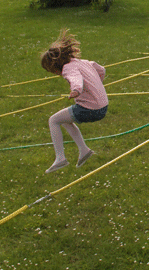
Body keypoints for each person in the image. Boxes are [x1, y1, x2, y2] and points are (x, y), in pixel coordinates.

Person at [40, 29, 109, 173]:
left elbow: (75, 79)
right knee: (64, 120)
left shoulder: (67, 68)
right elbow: (101, 69)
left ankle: (60, 158)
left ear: (55, 66)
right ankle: (84, 150)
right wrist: (96, 84)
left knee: (53, 120)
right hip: (103, 106)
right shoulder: (83, 62)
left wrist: (76, 90)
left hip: (91, 109)